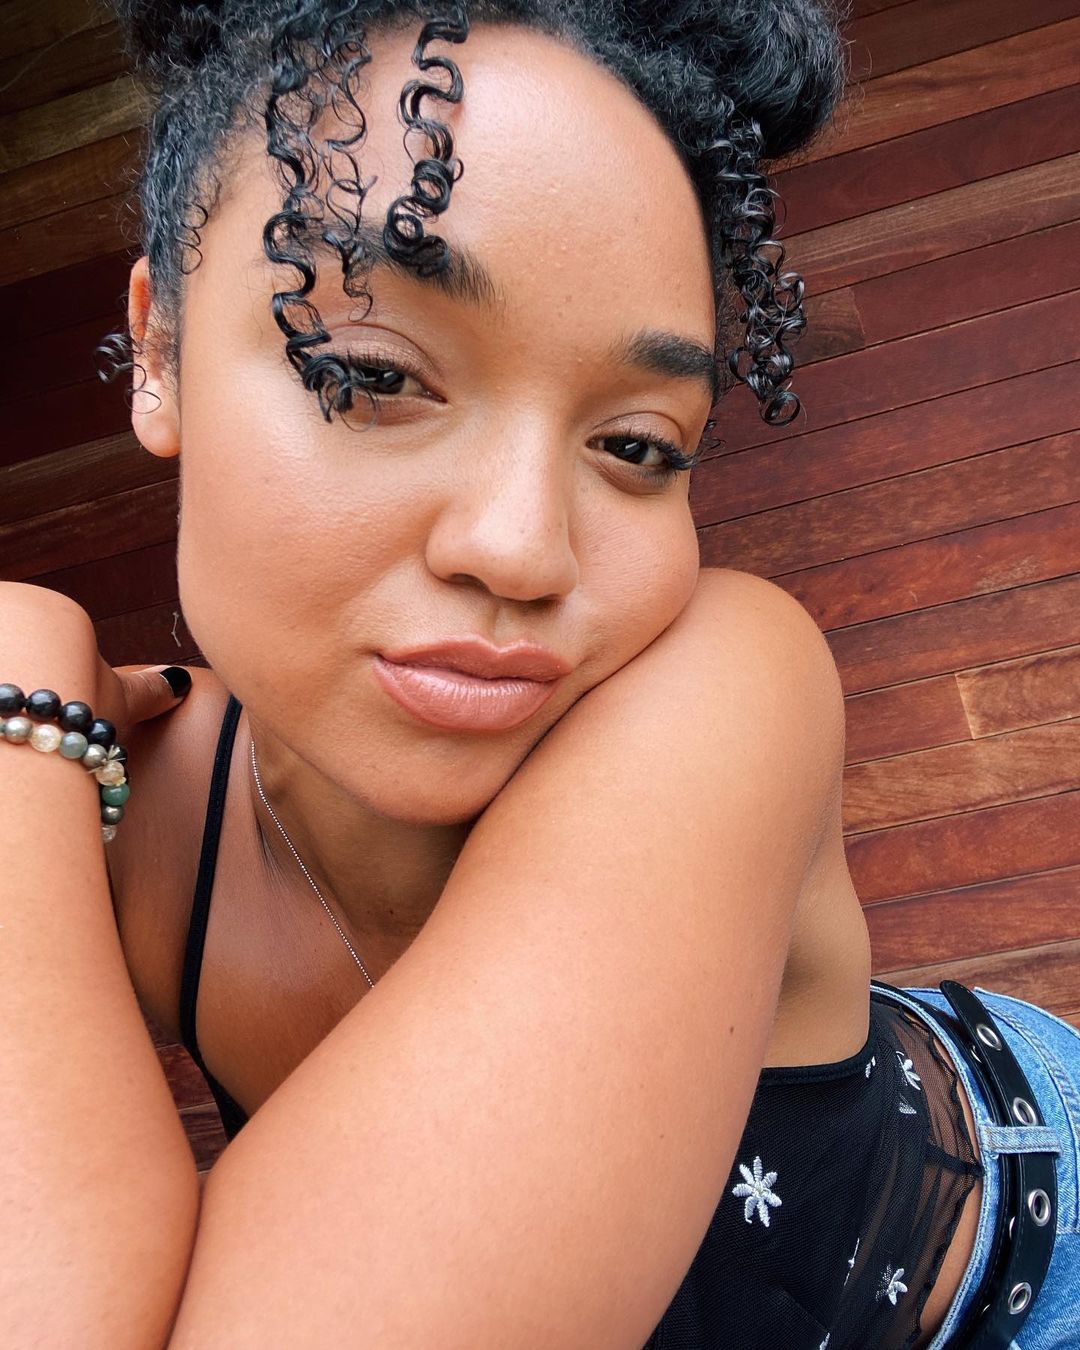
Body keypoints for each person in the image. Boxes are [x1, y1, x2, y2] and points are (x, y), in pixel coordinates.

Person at [1, 1, 1076, 1346]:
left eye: (635, 445)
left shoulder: (721, 693)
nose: (521, 547)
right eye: (373, 374)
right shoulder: (98, 804)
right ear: (158, 351)